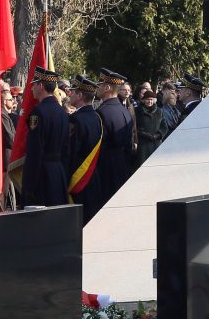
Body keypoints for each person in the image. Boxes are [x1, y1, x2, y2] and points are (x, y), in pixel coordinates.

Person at [21, 69, 69, 208]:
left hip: (42, 175)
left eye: (34, 84)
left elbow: (35, 150)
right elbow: (66, 149)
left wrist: (29, 185)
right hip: (58, 173)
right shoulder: (62, 112)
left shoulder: (38, 112)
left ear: (41, 86)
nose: (31, 88)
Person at [94, 69, 136, 203]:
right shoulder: (125, 112)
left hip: (105, 169)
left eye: (99, 84)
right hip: (122, 167)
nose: (97, 86)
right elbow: (129, 145)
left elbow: (98, 146)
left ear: (107, 88)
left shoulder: (101, 113)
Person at [67, 76, 105, 218]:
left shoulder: (75, 119)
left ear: (80, 95)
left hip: (78, 178)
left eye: (73, 91)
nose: (69, 94)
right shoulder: (97, 117)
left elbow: (71, 152)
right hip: (93, 176)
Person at [135, 90, 163, 162]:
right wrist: (144, 134)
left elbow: (164, 126)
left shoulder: (159, 111)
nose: (149, 101)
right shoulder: (138, 111)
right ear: (144, 100)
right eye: (147, 99)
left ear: (154, 100)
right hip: (143, 145)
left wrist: (158, 135)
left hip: (156, 144)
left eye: (151, 99)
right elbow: (135, 126)